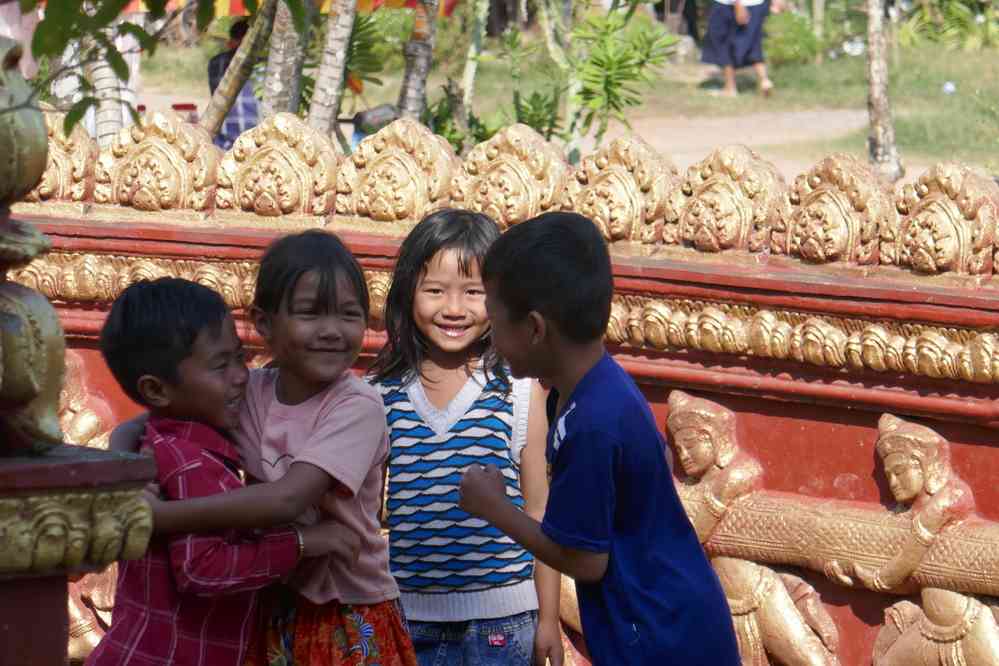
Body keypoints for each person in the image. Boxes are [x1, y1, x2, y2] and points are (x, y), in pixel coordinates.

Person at [111, 231, 417, 665]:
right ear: (265, 323)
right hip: (272, 597)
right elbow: (139, 426)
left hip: (344, 609)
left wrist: (162, 517)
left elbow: (287, 498)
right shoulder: (249, 389)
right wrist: (129, 474)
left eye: (350, 315)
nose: (333, 331)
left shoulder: (356, 406)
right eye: (311, 314)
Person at [457, 211, 740, 665]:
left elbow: (587, 561)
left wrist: (495, 508)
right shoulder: (587, 388)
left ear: (534, 328)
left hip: (660, 636)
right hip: (661, 618)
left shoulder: (593, 422)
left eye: (495, 320)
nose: (490, 336)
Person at [87, 278, 346, 666]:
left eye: (239, 357)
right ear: (157, 391)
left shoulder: (165, 437)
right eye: (220, 365)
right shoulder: (190, 459)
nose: (241, 375)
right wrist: (304, 543)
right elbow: (203, 569)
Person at [367, 209, 564, 666]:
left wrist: (549, 620)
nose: (454, 309)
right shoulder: (379, 395)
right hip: (407, 618)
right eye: (434, 290)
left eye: (473, 293)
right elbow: (366, 512)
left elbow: (540, 511)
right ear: (406, 294)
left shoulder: (519, 393)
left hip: (506, 622)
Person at [701, 0, 781, 97]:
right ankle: (764, 80)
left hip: (731, 5)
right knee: (753, 44)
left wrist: (738, 4)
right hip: (756, 5)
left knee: (723, 44)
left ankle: (730, 88)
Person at [207, 18, 260, 150]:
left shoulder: (215, 63)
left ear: (231, 42)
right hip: (256, 142)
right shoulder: (261, 65)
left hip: (224, 142)